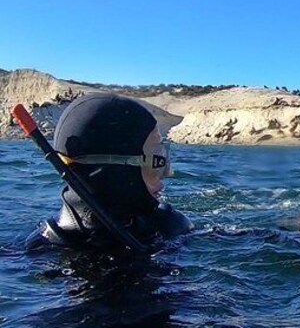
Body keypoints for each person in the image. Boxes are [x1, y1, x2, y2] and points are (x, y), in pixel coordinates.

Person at [25, 93, 192, 252]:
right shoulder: (44, 251)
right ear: (116, 173)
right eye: (154, 164)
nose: (162, 180)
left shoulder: (168, 226)